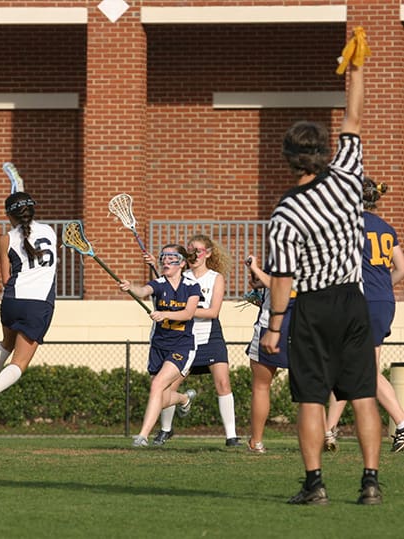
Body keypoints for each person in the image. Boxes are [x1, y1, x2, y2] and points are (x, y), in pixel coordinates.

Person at [260, 32, 382, 506]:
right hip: (353, 299)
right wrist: (358, 66)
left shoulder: (285, 212)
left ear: (290, 158)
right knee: (363, 394)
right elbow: (353, 115)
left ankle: (315, 485)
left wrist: (274, 328)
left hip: (312, 306)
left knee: (311, 398)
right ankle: (370, 481)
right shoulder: (350, 175)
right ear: (323, 152)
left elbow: (284, 279)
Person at [324, 179, 404, 453]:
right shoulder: (386, 227)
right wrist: (381, 287)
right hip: (383, 302)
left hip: (361, 303)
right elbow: (401, 268)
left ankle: (403, 426)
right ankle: (328, 430)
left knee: (364, 370)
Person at [0, 191, 57, 422]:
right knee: (19, 362)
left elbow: (6, 279)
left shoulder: (5, 239)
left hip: (11, 301)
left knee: (5, 344)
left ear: (10, 215)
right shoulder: (50, 231)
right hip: (39, 304)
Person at [151, 234, 240, 447]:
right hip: (183, 337)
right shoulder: (181, 276)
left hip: (210, 337)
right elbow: (163, 294)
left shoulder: (215, 278)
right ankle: (165, 430)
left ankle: (231, 436)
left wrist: (186, 310)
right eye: (189, 251)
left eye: (197, 250)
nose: (193, 255)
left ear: (208, 253)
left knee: (223, 383)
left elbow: (213, 311)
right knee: (168, 386)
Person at [119, 244, 201, 447]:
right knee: (160, 395)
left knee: (156, 386)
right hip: (158, 345)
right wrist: (131, 288)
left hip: (182, 345)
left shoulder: (192, 286)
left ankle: (142, 436)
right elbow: (143, 290)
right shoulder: (159, 284)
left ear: (182, 263)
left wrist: (165, 314)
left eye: (171, 258)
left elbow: (188, 313)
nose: (165, 261)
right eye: (163, 257)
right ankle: (183, 399)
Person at [244, 256, 295, 454]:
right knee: (310, 389)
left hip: (272, 325)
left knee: (261, 386)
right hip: (306, 325)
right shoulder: (317, 254)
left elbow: (278, 286)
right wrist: (258, 280)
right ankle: (322, 434)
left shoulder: (283, 254)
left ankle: (256, 442)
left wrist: (256, 269)